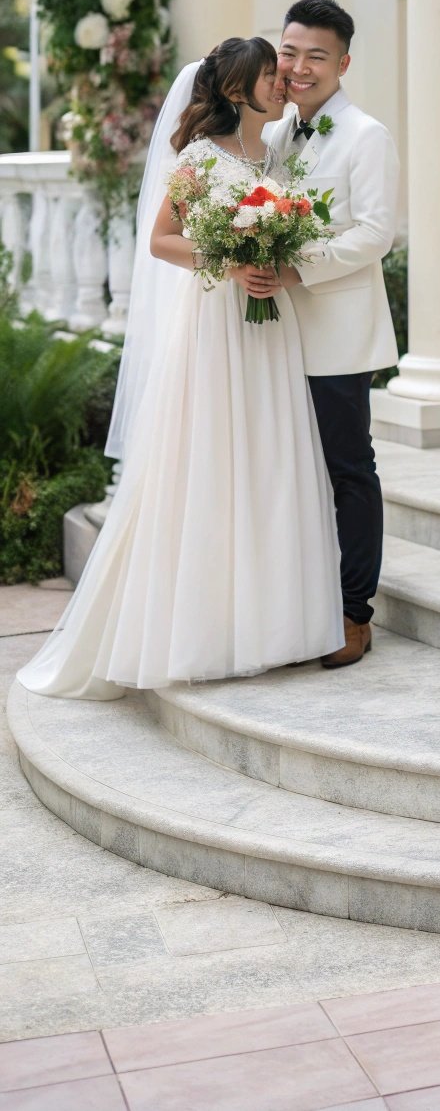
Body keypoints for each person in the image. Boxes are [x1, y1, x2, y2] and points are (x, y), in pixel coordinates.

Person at [17, 39, 345, 700]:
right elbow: (161, 238)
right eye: (268, 76)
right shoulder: (200, 158)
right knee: (213, 461)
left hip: (268, 324)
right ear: (235, 92)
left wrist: (274, 259)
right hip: (215, 325)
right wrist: (227, 261)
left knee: (269, 460)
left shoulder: (276, 153)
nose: (282, 82)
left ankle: (275, 628)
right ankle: (207, 631)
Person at [261, 0, 399, 670]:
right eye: (289, 52)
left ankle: (354, 612)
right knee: (293, 469)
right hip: (276, 331)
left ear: (342, 62)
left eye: (316, 55)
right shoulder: (277, 133)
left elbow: (377, 234)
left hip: (338, 330)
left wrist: (293, 266)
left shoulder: (366, 134)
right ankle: (303, 602)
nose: (299, 66)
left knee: (348, 468)